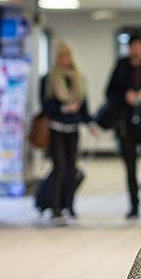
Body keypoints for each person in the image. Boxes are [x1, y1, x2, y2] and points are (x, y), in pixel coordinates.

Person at [41, 39, 98, 225]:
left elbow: (83, 108)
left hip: (73, 129)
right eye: (62, 55)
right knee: (60, 168)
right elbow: (46, 106)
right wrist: (64, 109)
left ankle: (70, 206)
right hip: (56, 129)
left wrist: (91, 124)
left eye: (68, 55)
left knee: (72, 169)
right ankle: (55, 207)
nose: (66, 59)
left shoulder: (78, 78)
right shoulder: (48, 79)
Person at [105, 34, 141, 218]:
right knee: (130, 168)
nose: (135, 49)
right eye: (132, 46)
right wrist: (125, 96)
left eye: (138, 46)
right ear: (129, 48)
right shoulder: (121, 66)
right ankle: (134, 204)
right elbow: (109, 92)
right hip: (126, 126)